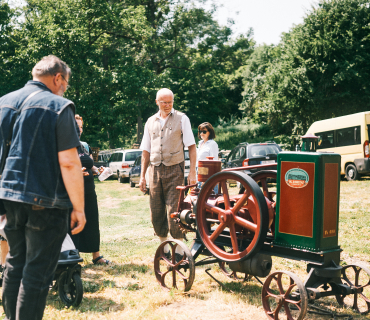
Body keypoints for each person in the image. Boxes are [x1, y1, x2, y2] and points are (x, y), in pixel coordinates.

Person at [0, 55, 86, 320]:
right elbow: (70, 163)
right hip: (45, 200)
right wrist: (79, 208)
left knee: (16, 263)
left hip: (9, 196)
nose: (65, 89)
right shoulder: (59, 106)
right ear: (57, 78)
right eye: (66, 83)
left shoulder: (3, 102)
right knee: (37, 272)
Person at [139, 88, 196, 251]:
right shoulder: (150, 121)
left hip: (175, 169)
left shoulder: (182, 119)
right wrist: (142, 176)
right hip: (155, 171)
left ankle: (179, 251)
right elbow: (146, 151)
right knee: (156, 211)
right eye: (164, 102)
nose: (168, 105)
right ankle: (163, 250)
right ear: (157, 102)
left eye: (170, 102)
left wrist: (192, 172)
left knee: (174, 210)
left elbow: (192, 147)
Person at [72, 115, 109, 265]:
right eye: (76, 127)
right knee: (74, 224)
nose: (79, 130)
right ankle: (73, 256)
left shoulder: (83, 145)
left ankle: (96, 255)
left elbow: (89, 164)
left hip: (89, 189)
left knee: (92, 220)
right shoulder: (63, 145)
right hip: (72, 191)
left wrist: (98, 170)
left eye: (81, 127)